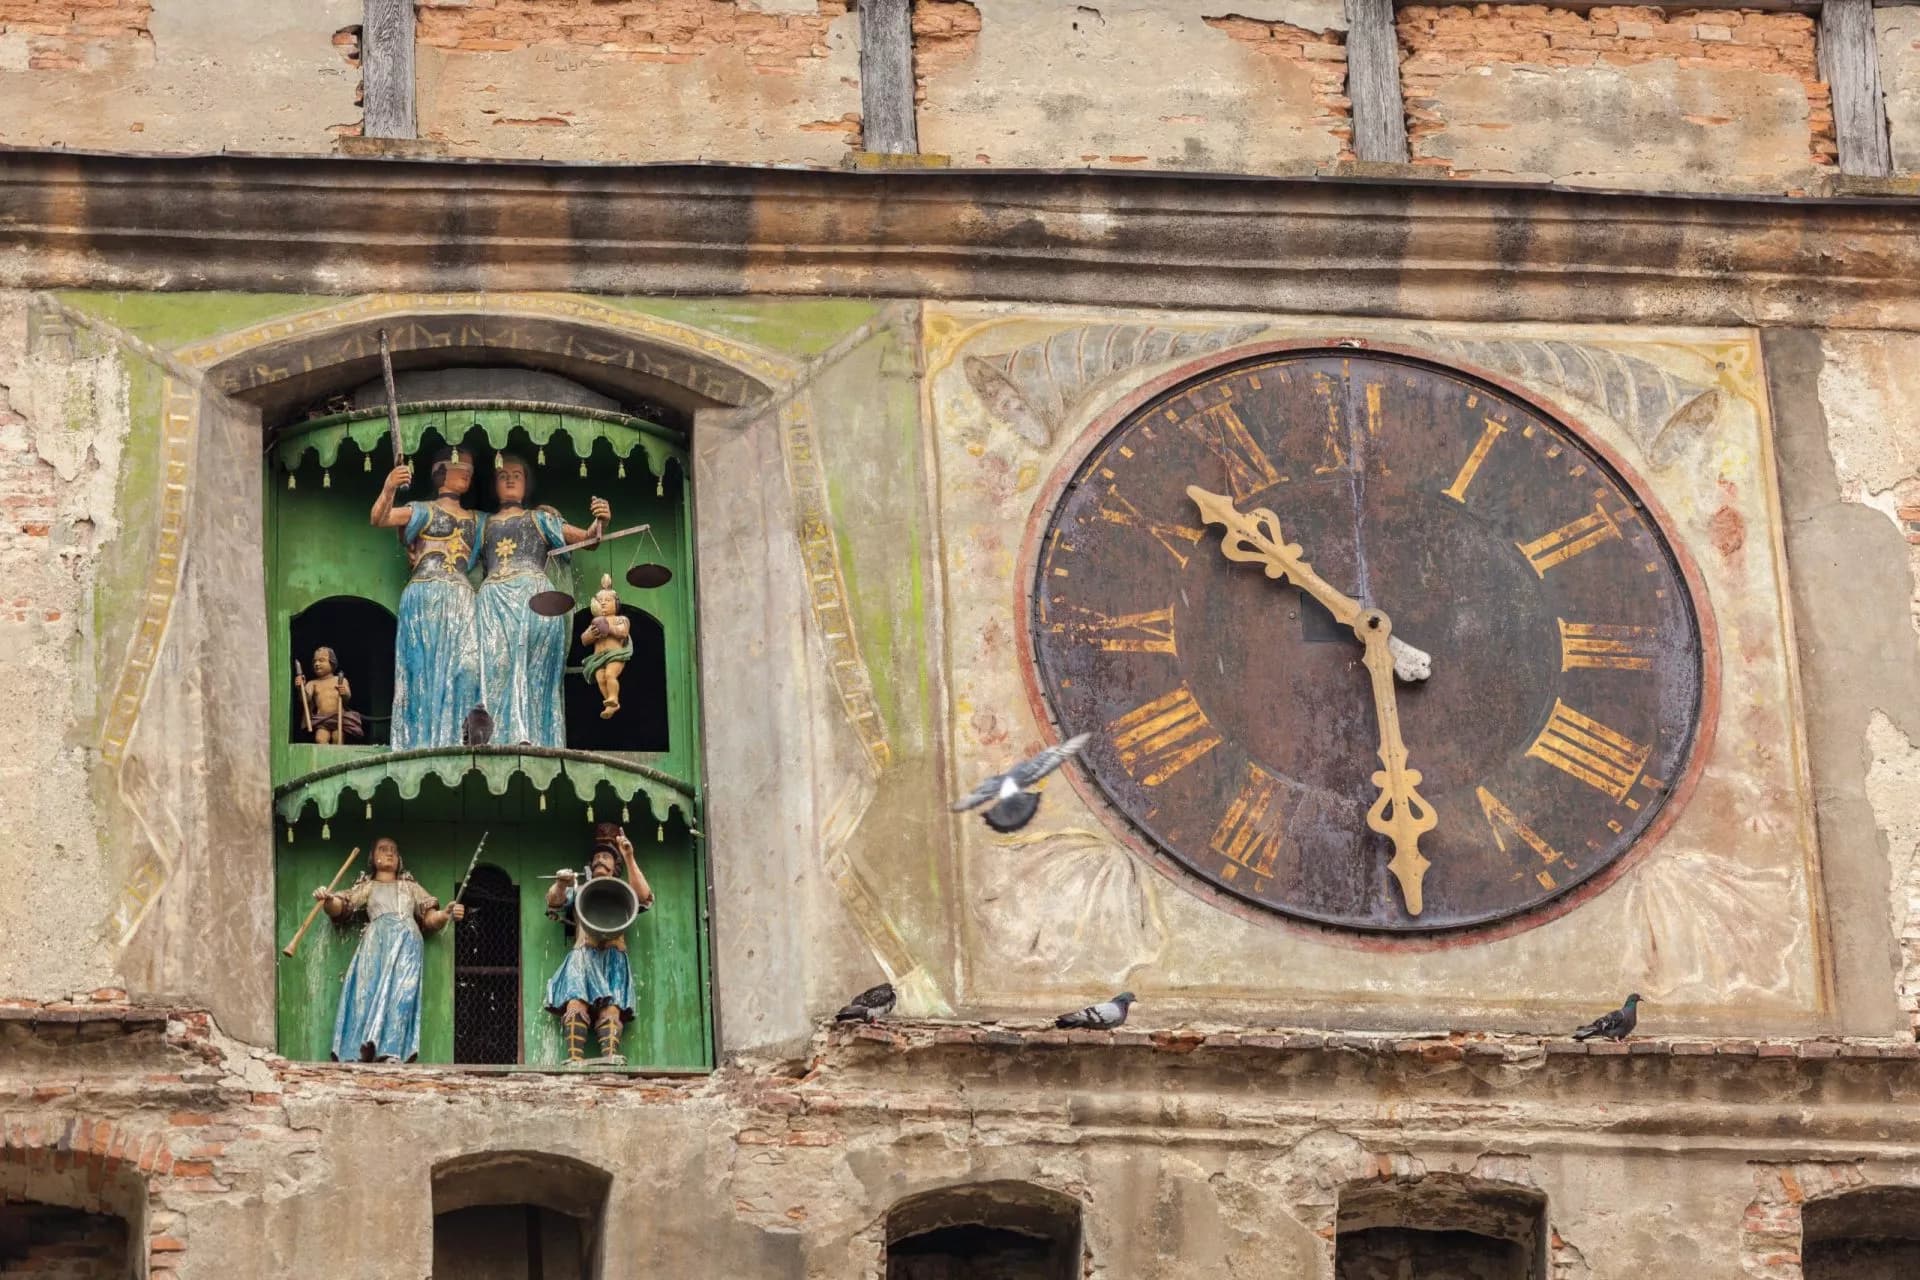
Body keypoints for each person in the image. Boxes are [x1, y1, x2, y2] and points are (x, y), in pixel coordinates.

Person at [474, 454, 610, 746]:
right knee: (494, 668)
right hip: (492, 602)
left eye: (517, 475)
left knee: (530, 667)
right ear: (492, 485)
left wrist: (600, 521)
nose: (510, 479)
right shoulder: (482, 524)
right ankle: (496, 738)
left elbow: (587, 539)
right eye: (502, 475)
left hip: (533, 599)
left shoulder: (539, 519)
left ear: (527, 484)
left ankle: (533, 735)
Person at [371, 448, 485, 749]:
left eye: (470, 471)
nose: (466, 474)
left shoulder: (479, 520)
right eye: (459, 467)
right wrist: (390, 486)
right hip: (425, 594)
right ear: (440, 472)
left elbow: (514, 524)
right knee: (421, 671)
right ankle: (421, 742)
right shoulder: (422, 510)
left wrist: (548, 514)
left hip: (461, 598)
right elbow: (379, 518)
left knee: (468, 669)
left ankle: (457, 738)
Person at [315, 837, 463, 1063]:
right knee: (365, 992)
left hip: (407, 942)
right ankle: (359, 1049)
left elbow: (430, 919)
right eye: (383, 849)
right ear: (373, 857)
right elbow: (342, 907)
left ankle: (391, 1051)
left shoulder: (411, 888)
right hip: (376, 943)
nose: (390, 854)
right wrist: (327, 900)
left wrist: (446, 914)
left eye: (394, 850)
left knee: (401, 996)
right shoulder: (368, 887)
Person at [544, 825, 653, 1065]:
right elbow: (554, 902)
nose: (599, 861)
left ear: (616, 865)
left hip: (614, 955)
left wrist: (629, 855)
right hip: (584, 954)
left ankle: (610, 1056)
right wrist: (562, 883)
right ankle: (574, 1057)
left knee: (612, 1009)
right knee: (575, 1002)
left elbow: (644, 897)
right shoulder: (580, 889)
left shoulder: (623, 889)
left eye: (605, 857)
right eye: (596, 858)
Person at [580, 575, 633, 720]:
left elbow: (623, 632)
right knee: (600, 679)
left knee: (610, 674)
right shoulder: (595, 622)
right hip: (598, 657)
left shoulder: (620, 619)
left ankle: (614, 698)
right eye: (600, 601)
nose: (603, 604)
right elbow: (584, 639)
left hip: (615, 654)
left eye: (607, 601)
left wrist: (608, 628)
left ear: (616, 604)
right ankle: (610, 703)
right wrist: (592, 634)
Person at [296, 645, 363, 744]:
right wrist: (300, 687)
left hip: (339, 718)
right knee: (320, 739)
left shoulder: (340, 680)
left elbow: (347, 698)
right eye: (315, 661)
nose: (317, 664)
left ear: (332, 663)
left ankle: (338, 759)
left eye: (321, 660)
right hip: (322, 720)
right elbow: (305, 699)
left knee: (338, 738)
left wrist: (344, 693)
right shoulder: (312, 683)